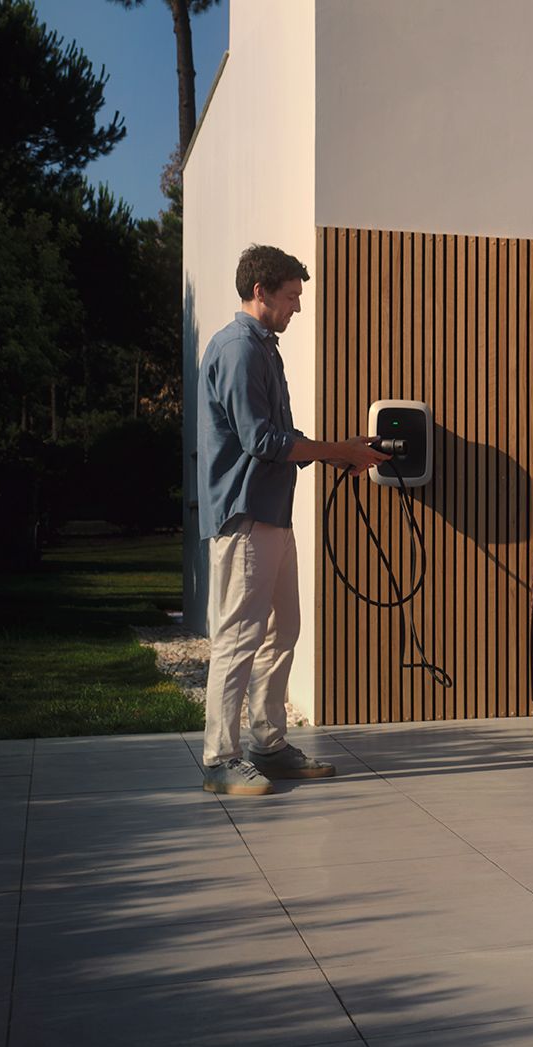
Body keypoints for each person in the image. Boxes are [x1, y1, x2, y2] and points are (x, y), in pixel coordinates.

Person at [197, 244, 388, 795]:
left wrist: (339, 451)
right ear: (261, 292)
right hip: (246, 515)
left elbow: (279, 439)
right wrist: (338, 452)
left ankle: (268, 744)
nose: (297, 307)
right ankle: (219, 759)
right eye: (290, 296)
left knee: (283, 632)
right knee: (239, 638)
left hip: (272, 517)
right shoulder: (238, 349)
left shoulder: (264, 348)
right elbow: (262, 440)